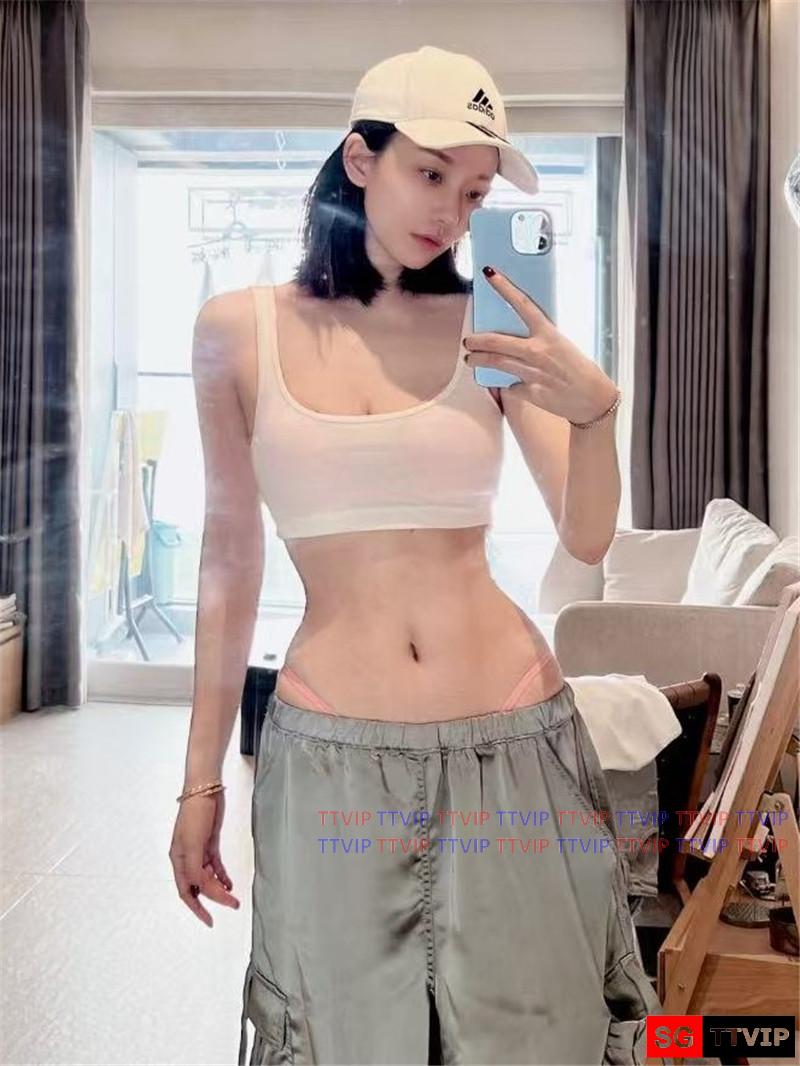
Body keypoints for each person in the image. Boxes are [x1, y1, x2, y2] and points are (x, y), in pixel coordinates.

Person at [169, 44, 663, 1066]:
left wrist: (596, 415)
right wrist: (199, 783)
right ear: (361, 159)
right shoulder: (237, 331)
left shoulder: (490, 330)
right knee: (340, 1038)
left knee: (542, 1037)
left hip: (512, 739)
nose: (451, 211)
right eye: (429, 173)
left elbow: (585, 534)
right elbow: (228, 563)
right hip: (330, 754)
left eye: (474, 191)